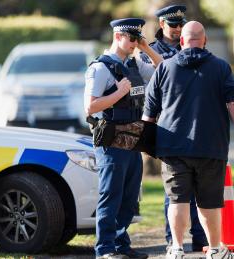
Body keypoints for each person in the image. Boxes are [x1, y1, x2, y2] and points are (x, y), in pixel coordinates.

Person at [142, 21, 234, 259]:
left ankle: (177, 249)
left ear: (182, 41)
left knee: (177, 199)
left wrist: (147, 145)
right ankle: (214, 249)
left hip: (172, 147)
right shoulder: (221, 68)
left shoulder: (164, 68)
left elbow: (148, 114)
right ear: (205, 41)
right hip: (210, 147)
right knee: (209, 202)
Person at [84, 18, 162, 259]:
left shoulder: (135, 63)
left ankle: (120, 245)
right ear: (118, 36)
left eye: (137, 39)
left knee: (129, 199)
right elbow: (90, 106)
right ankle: (105, 249)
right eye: (131, 39)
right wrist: (119, 92)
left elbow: (164, 69)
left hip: (132, 142)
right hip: (111, 143)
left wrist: (146, 48)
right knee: (111, 196)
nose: (133, 43)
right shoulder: (100, 68)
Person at [140, 4, 209, 252]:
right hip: (166, 126)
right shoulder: (150, 52)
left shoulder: (191, 45)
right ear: (162, 25)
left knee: (199, 189)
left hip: (194, 125)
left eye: (181, 25)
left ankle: (200, 239)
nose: (178, 29)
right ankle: (173, 240)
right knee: (174, 190)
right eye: (173, 25)